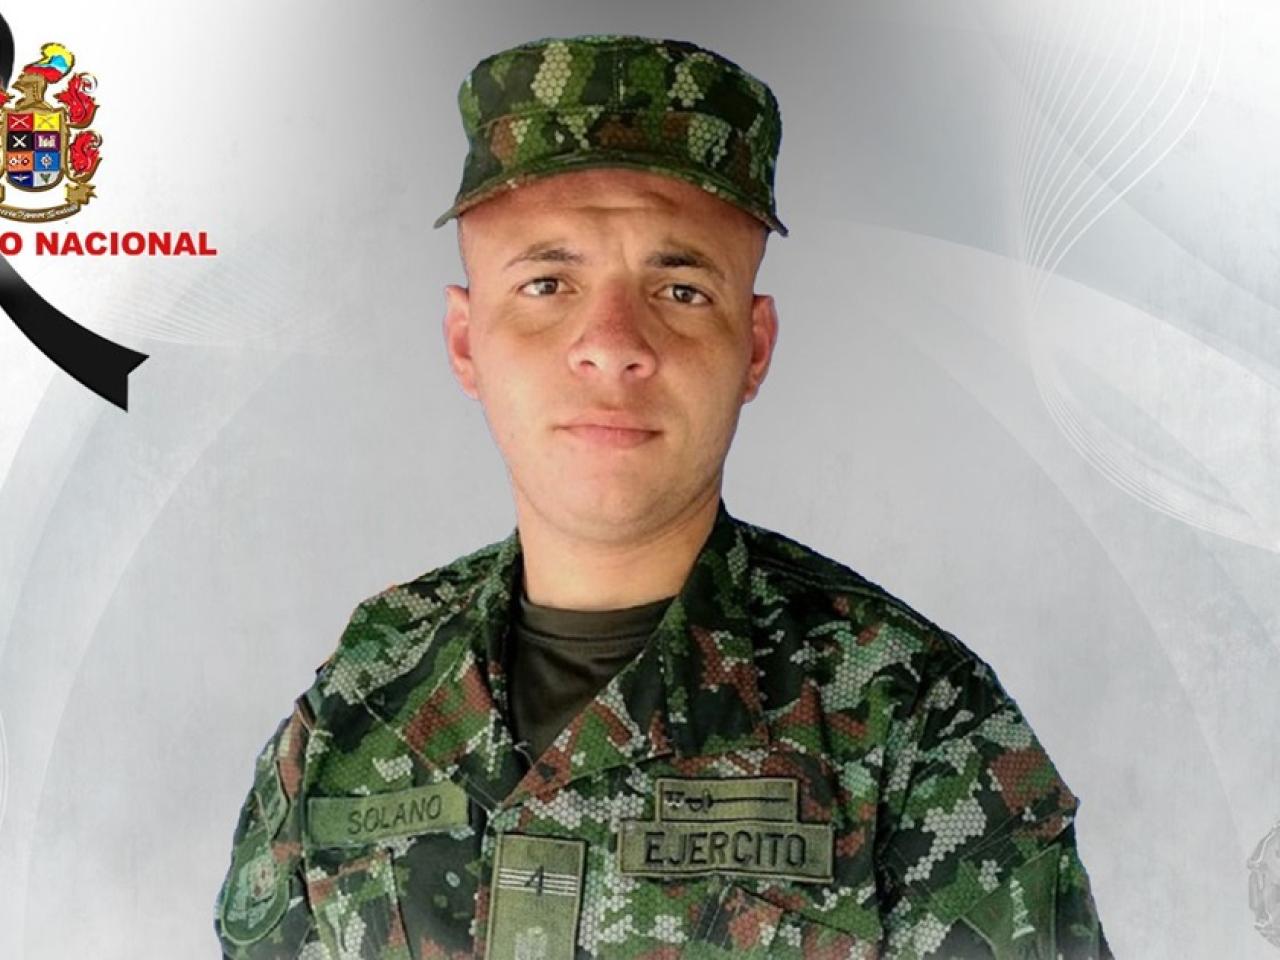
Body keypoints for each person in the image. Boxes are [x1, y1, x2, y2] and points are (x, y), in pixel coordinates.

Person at [214, 34, 1113, 959]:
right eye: (547, 283)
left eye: (680, 290)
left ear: (754, 349)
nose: (612, 344)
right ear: (465, 339)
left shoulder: (912, 721)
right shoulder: (362, 698)